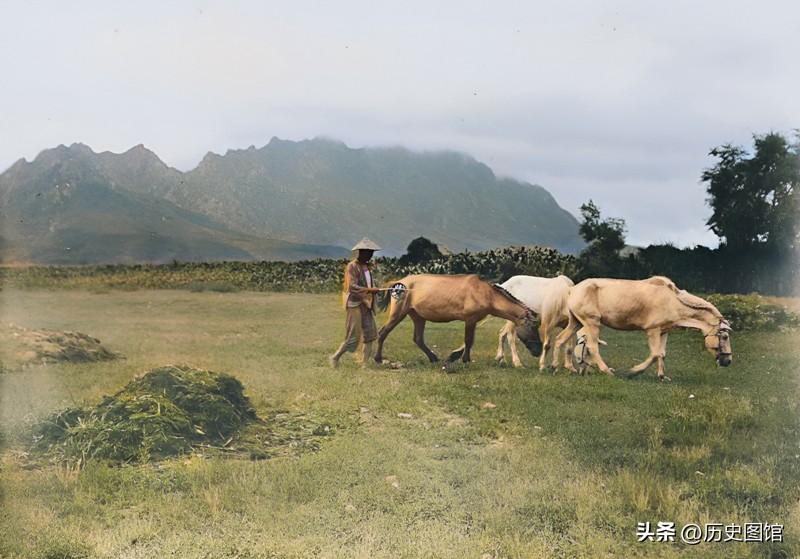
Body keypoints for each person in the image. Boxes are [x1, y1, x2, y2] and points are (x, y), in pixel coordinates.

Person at [329, 238, 383, 368]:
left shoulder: (367, 267)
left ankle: (364, 365)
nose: (370, 255)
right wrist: (371, 290)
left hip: (366, 304)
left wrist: (373, 291)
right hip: (354, 304)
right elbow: (352, 287)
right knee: (353, 336)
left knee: (370, 334)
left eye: (371, 253)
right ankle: (335, 357)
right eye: (368, 252)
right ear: (361, 252)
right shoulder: (352, 266)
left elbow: (368, 284)